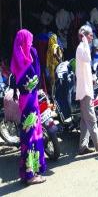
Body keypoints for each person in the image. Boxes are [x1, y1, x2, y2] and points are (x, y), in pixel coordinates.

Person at [10, 30, 47, 185]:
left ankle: (31, 170)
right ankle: (30, 174)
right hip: (28, 101)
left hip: (30, 100)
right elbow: (32, 80)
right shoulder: (22, 60)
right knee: (30, 137)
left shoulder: (27, 56)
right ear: (24, 41)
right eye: (29, 40)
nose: (31, 43)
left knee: (33, 135)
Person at [76, 25, 98, 157]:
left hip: (87, 88)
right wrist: (84, 40)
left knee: (85, 120)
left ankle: (83, 146)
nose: (92, 37)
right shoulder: (81, 48)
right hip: (84, 90)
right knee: (91, 119)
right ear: (84, 36)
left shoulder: (84, 47)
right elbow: (88, 58)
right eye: (90, 35)